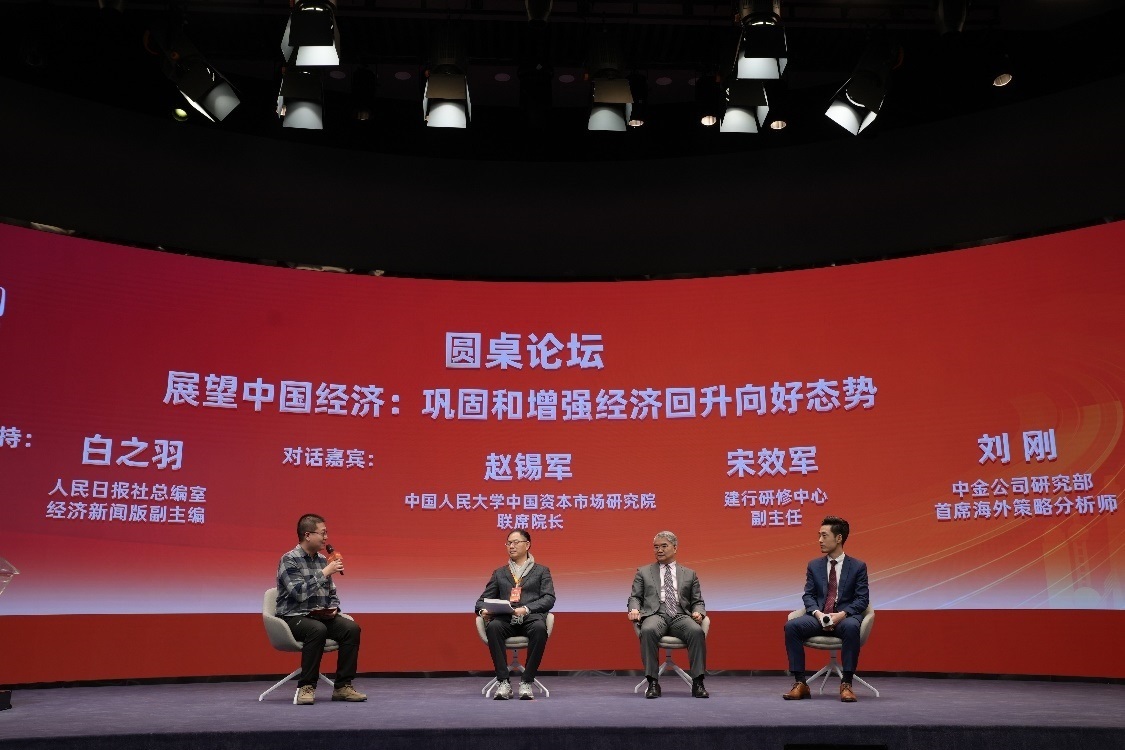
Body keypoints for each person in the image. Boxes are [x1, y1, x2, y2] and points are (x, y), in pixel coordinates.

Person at [275, 513, 366, 705]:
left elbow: (331, 593)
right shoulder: (289, 560)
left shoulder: (323, 560)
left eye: (326, 533)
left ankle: (343, 686)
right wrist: (324, 572)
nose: (326, 537)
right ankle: (306, 687)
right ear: (307, 535)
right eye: (322, 533)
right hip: (293, 617)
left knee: (351, 629)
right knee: (317, 629)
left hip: (320, 616)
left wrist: (333, 609)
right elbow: (299, 593)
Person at [783, 515, 870, 703]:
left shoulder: (858, 567)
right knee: (791, 627)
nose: (819, 540)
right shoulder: (814, 565)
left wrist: (841, 615)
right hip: (818, 617)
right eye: (819, 536)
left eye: (824, 535)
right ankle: (800, 683)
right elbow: (808, 595)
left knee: (852, 627)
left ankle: (846, 684)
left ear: (838, 538)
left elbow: (862, 599)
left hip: (844, 618)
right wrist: (818, 613)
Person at [475, 529, 556, 700]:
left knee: (540, 628)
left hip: (530, 619)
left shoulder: (541, 571)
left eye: (516, 542)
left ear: (527, 545)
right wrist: (484, 611)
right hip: (506, 620)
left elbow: (549, 598)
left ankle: (527, 681)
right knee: (494, 627)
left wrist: (526, 609)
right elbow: (481, 601)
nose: (511, 546)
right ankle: (503, 682)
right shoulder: (500, 573)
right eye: (508, 543)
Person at [627, 531, 709, 699]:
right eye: (656, 547)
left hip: (680, 614)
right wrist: (634, 609)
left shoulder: (689, 574)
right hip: (656, 614)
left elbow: (698, 601)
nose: (659, 550)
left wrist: (698, 612)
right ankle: (653, 683)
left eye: (664, 546)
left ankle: (698, 683)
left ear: (675, 548)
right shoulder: (643, 572)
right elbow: (635, 597)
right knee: (648, 630)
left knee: (696, 632)